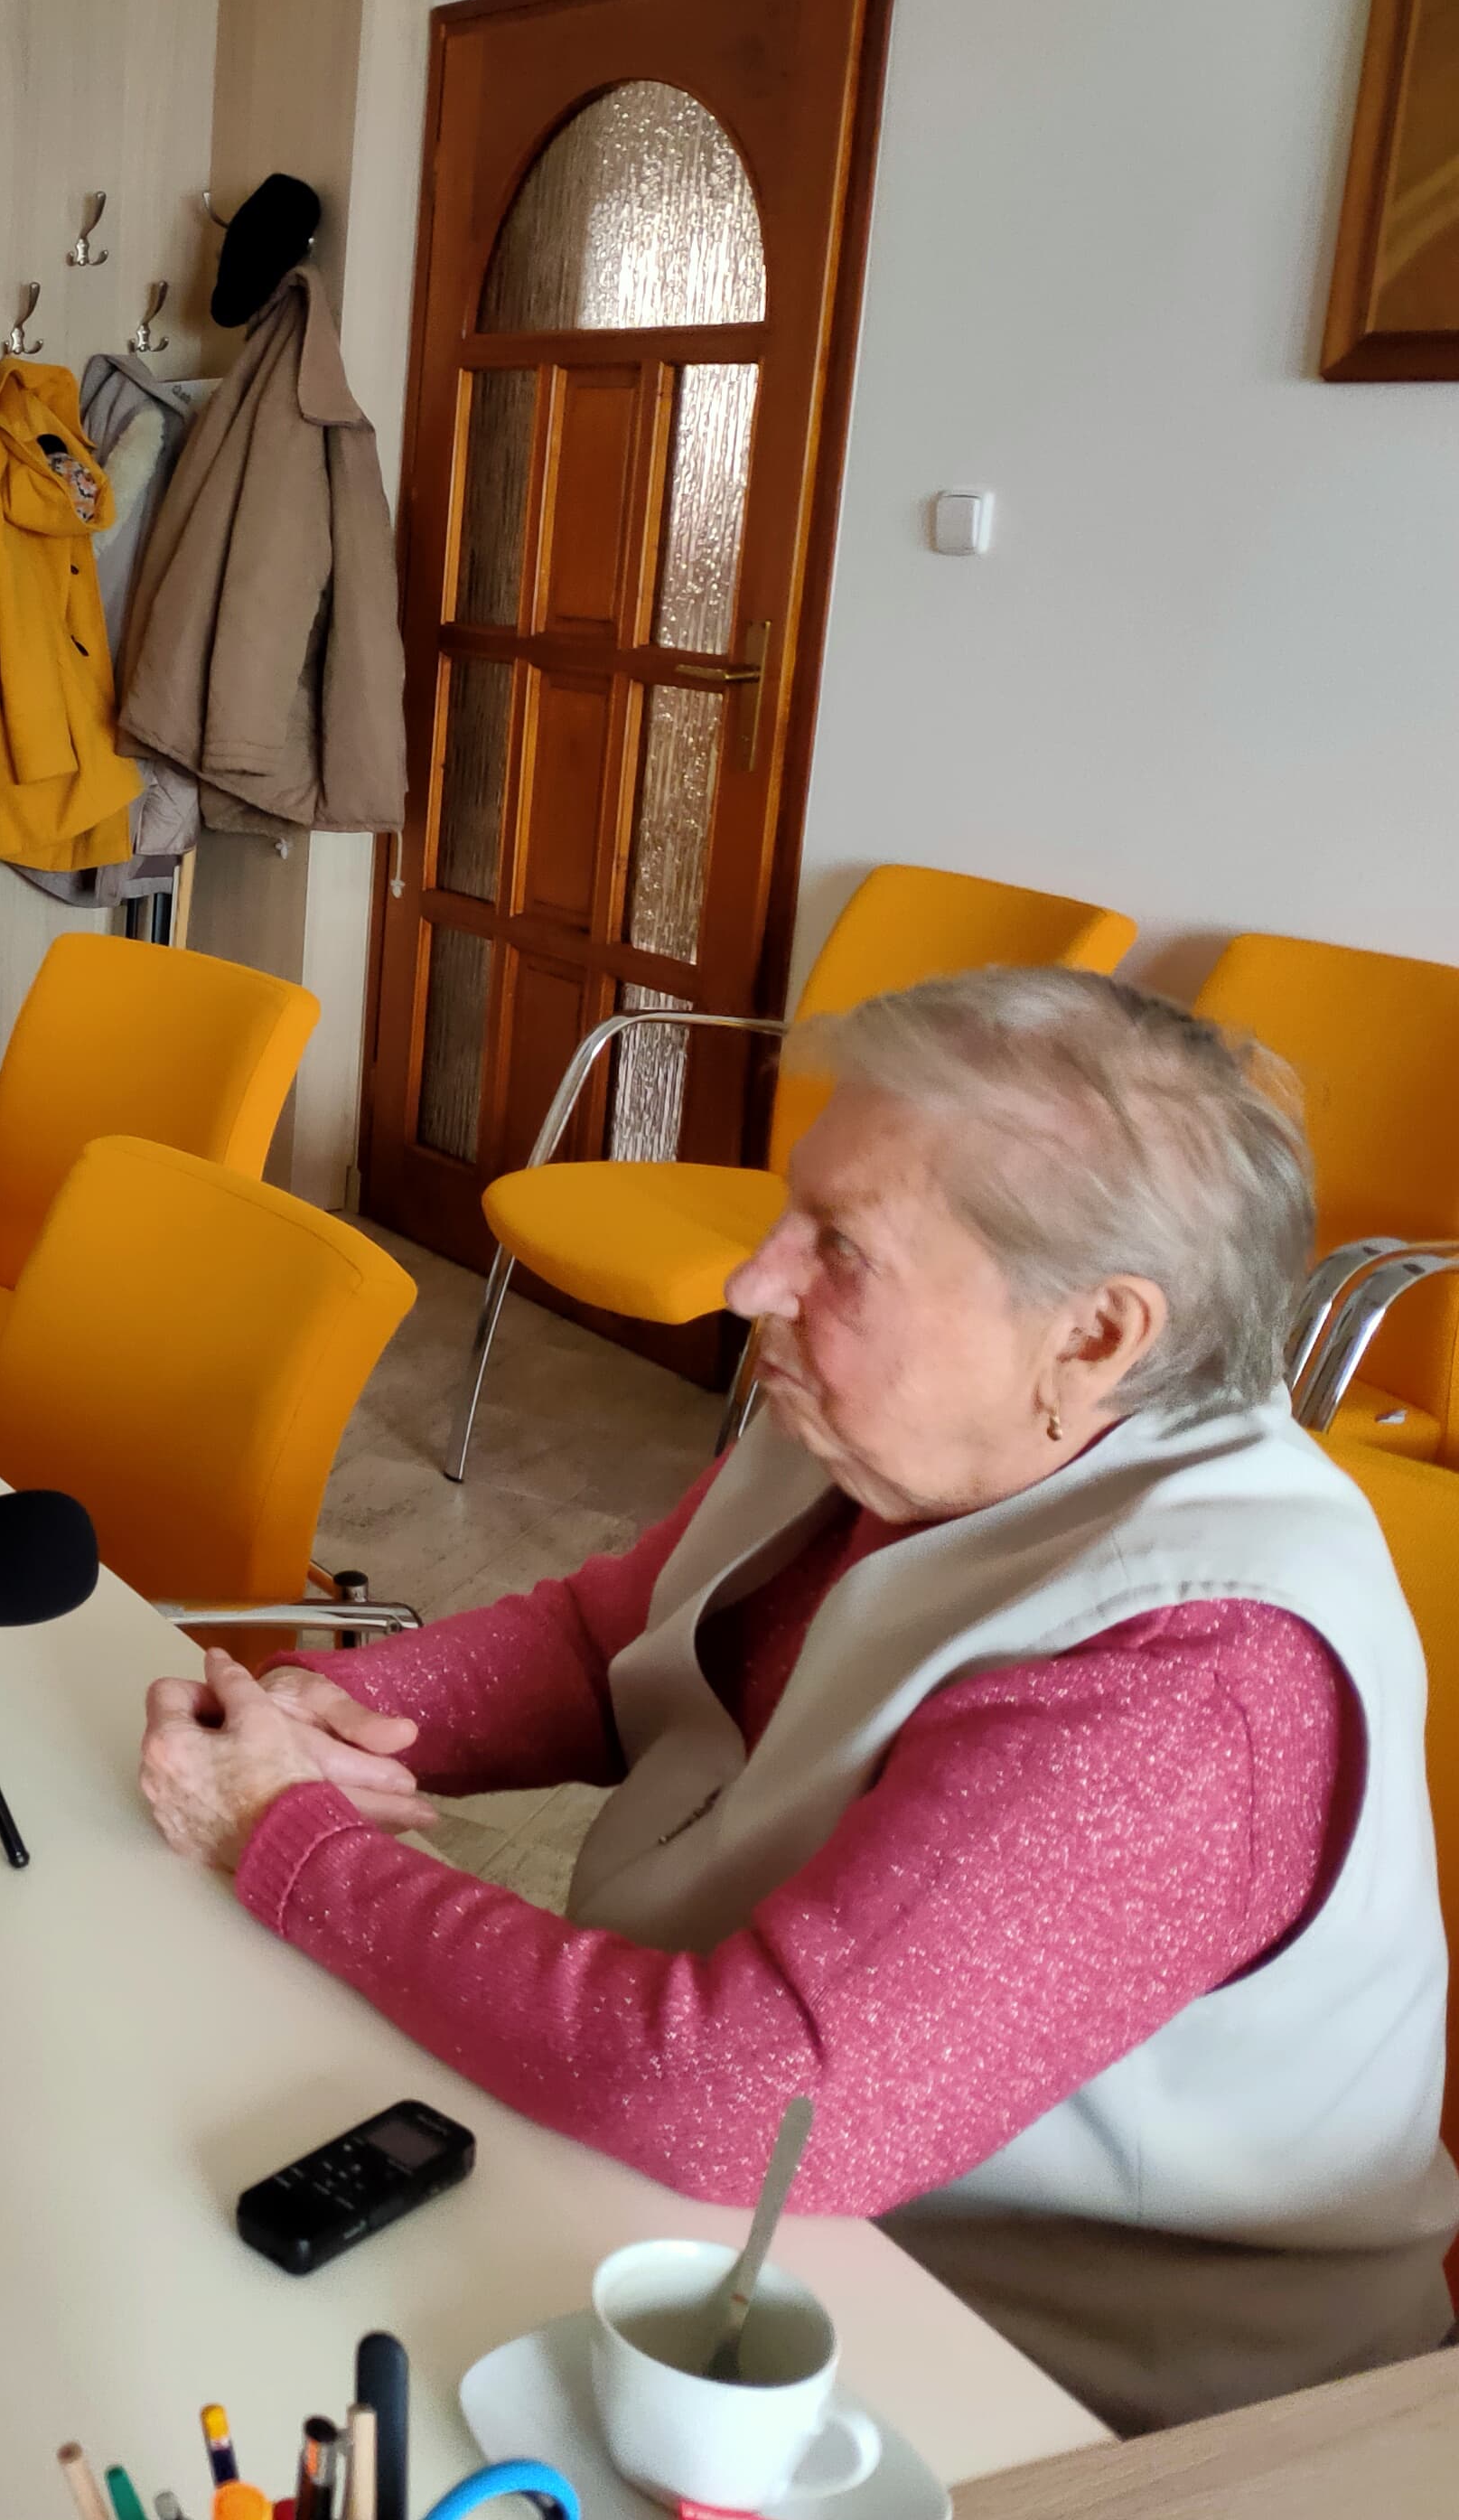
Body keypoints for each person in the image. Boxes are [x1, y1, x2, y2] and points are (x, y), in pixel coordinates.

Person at [140, 968, 1457, 2435]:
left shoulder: (1191, 1680)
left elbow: (747, 2097)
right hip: (774, 2244)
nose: (751, 1283)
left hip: (1098, 2410)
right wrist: (320, 1712)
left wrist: (295, 1844)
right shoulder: (906, 1424)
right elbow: (612, 1641)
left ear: (1094, 1334)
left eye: (840, 1247)